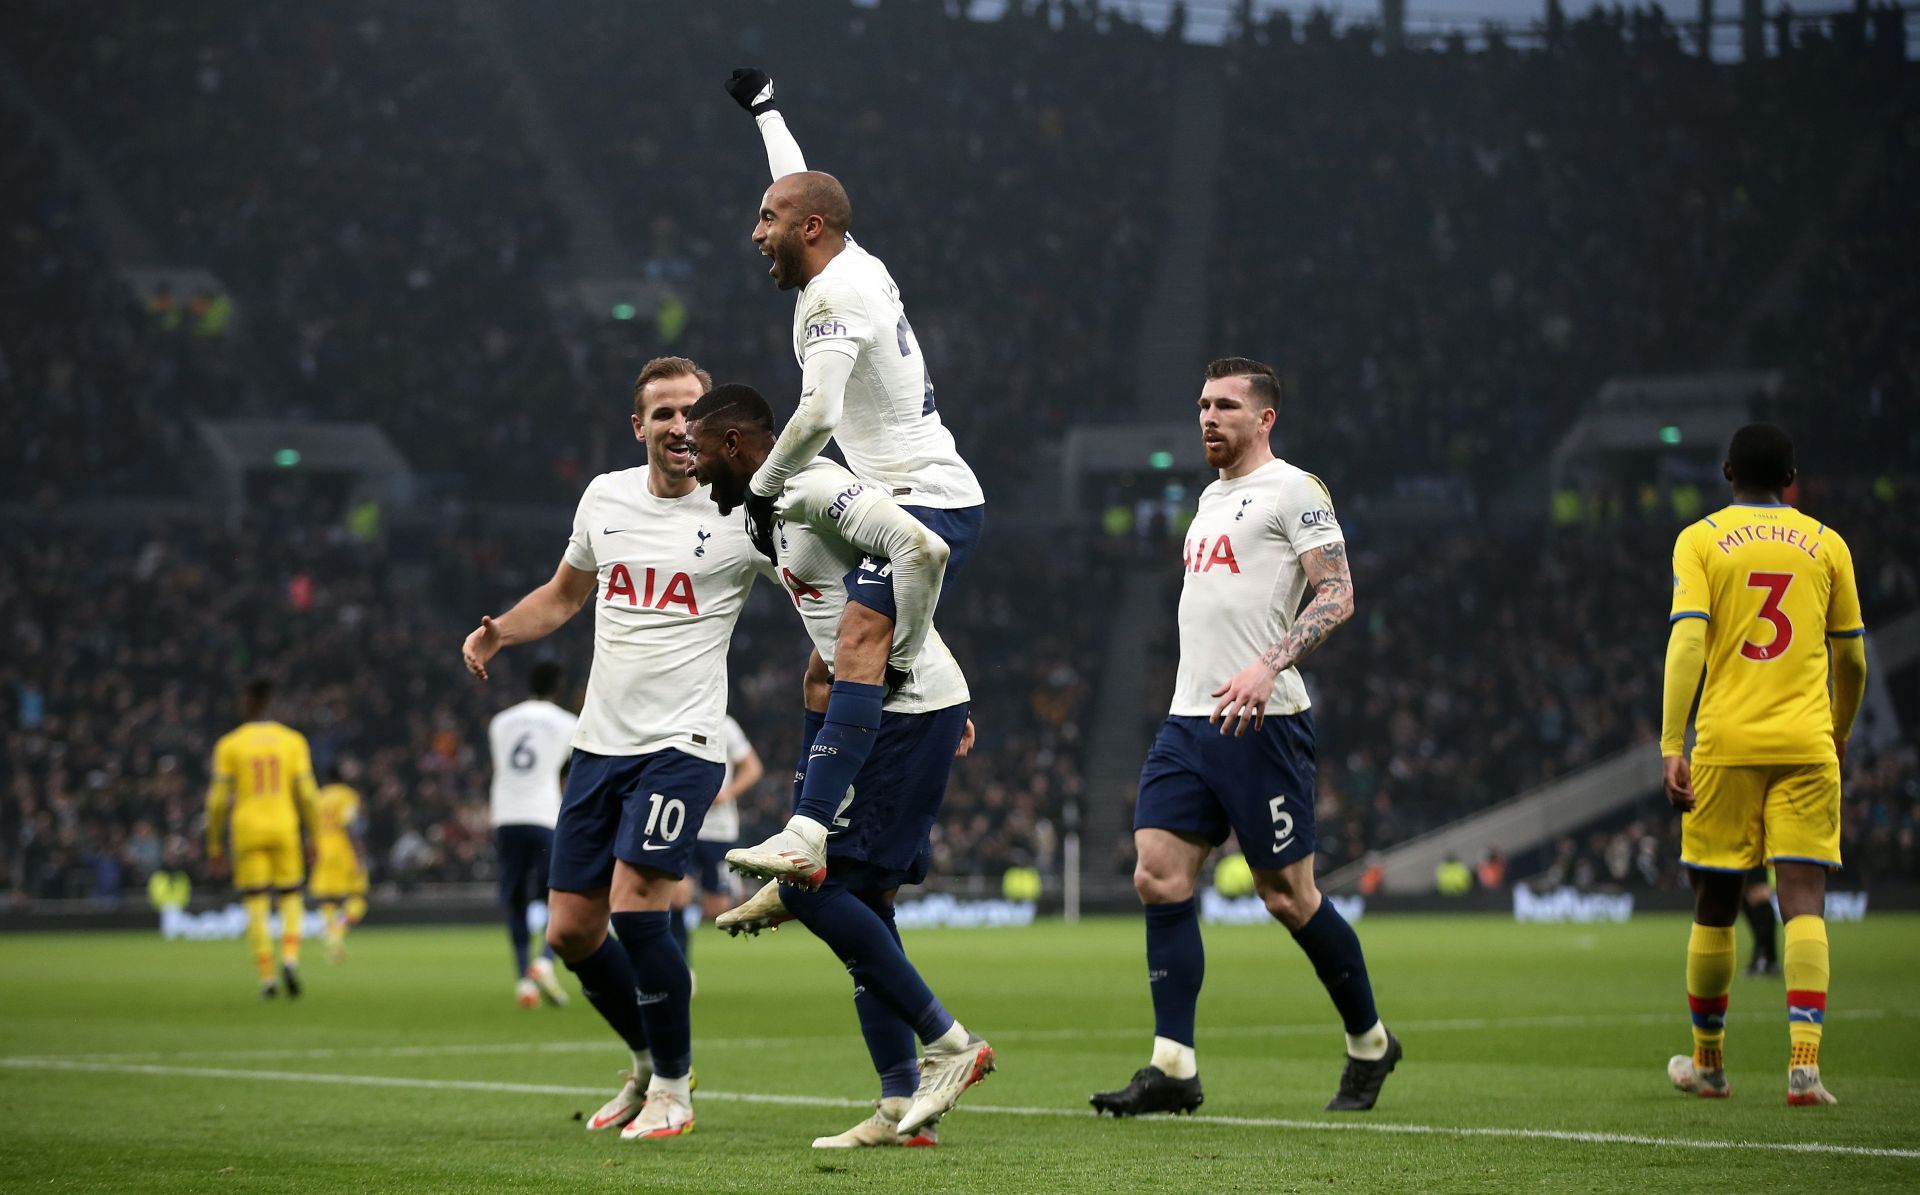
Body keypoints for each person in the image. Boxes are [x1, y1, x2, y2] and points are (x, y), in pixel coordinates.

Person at [461, 357, 764, 1142]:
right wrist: (501, 630)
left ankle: (675, 1085)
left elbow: (817, 589)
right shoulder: (605, 496)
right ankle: (643, 1059)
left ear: (710, 424)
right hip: (600, 745)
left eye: (688, 411)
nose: (675, 425)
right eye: (660, 413)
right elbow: (565, 594)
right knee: (569, 932)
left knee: (637, 906)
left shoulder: (743, 510)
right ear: (640, 427)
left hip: (684, 743)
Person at [1091, 358, 1399, 1117]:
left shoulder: (1296, 489)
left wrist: (1270, 663)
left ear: (1265, 418)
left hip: (1265, 723)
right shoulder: (1206, 496)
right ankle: (1173, 1066)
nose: (1207, 416)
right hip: (1189, 719)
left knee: (1288, 896)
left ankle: (1371, 1042)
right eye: (1201, 403)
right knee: (1157, 874)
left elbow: (1338, 591)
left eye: (1225, 405)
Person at [689, 383, 993, 1147]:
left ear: (735, 446)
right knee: (867, 908)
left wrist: (911, 656)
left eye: (699, 453)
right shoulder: (768, 519)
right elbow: (851, 613)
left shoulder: (817, 485)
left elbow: (923, 548)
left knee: (819, 890)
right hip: (896, 712)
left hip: (906, 713)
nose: (696, 473)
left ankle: (951, 1046)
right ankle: (898, 1105)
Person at [721, 68, 986, 888]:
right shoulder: (849, 254)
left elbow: (819, 416)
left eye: (768, 221)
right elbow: (795, 181)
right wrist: (767, 109)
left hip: (926, 499)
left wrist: (763, 488)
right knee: (823, 660)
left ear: (808, 228)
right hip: (891, 495)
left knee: (860, 641)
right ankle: (832, 824)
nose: (754, 230)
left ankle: (806, 832)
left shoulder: (834, 299)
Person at [1661, 423, 1866, 1107]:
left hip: (1727, 742)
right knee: (1803, 899)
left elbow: (1688, 642)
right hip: (1808, 741)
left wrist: (1671, 742)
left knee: (1716, 902)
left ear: (1726, 472)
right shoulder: (1828, 544)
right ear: (1791, 477)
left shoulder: (1700, 539)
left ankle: (1710, 1063)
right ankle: (1804, 1066)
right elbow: (1853, 658)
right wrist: (1838, 730)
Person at [205, 678, 320, 999]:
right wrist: (314, 835)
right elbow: (308, 794)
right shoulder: (292, 741)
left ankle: (268, 977)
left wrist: (214, 843)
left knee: (255, 903)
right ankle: (290, 957)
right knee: (290, 897)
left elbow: (215, 801)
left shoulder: (231, 744)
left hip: (247, 829)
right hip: (284, 826)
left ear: (247, 704)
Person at [486, 659, 578, 1008]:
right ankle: (544, 961)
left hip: (506, 815)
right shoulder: (568, 722)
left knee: (515, 901)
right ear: (557, 686)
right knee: (560, 893)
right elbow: (567, 772)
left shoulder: (500, 721)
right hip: (544, 816)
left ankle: (524, 980)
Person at [669, 714, 764, 972]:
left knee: (717, 908)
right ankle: (680, 966)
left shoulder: (726, 725)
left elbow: (752, 767)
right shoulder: (677, 720)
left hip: (720, 831)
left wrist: (727, 793)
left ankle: (729, 888)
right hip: (685, 825)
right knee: (678, 897)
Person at [309, 760, 369, 964]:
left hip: (322, 850)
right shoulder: (347, 795)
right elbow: (349, 824)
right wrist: (359, 853)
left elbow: (310, 828)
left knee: (327, 899)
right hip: (343, 850)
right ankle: (337, 930)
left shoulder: (318, 797)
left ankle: (333, 942)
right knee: (358, 897)